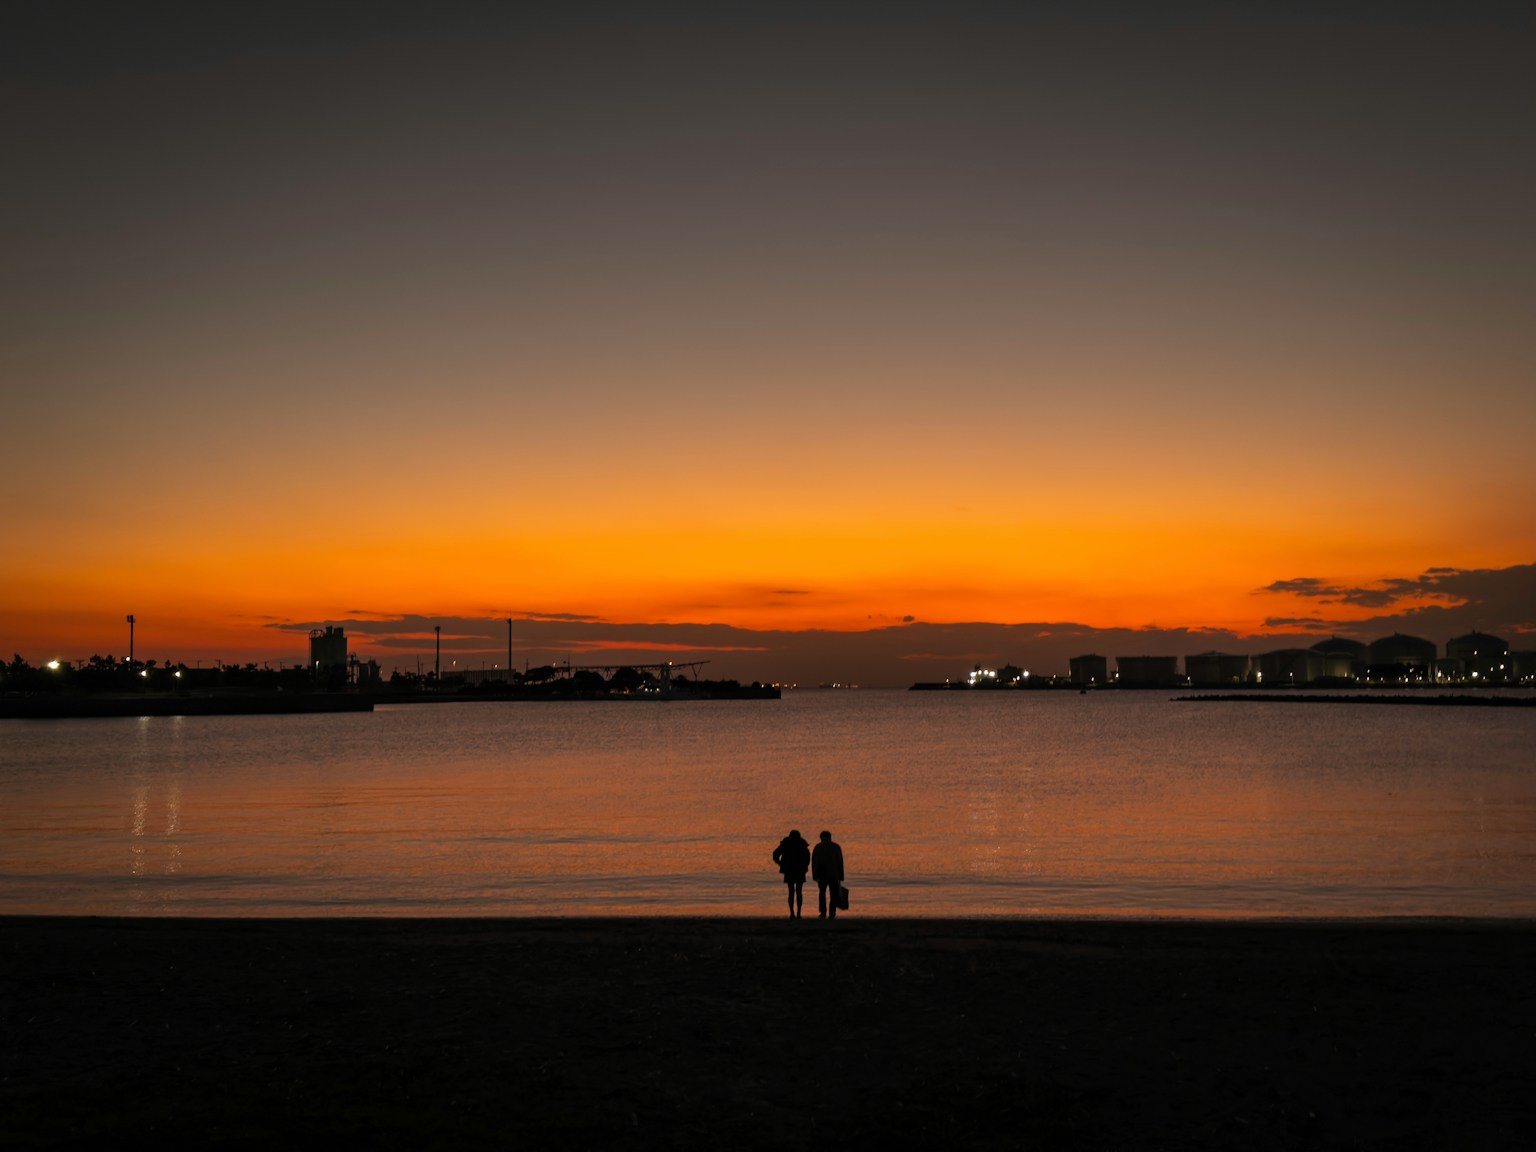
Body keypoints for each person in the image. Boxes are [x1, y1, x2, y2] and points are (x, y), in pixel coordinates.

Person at [772, 829, 811, 919]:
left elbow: (775, 854)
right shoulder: (802, 844)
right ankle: (799, 913)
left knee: (791, 892)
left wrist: (780, 863)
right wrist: (804, 866)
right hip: (800, 870)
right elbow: (807, 858)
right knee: (799, 892)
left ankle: (792, 913)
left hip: (788, 870)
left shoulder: (786, 844)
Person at [812, 830, 845, 919]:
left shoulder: (818, 847)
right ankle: (832, 913)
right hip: (834, 874)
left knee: (822, 894)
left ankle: (823, 912)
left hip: (822, 874)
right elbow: (840, 862)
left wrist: (814, 875)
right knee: (833, 894)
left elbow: (815, 862)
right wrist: (841, 875)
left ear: (821, 837)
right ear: (830, 837)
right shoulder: (836, 847)